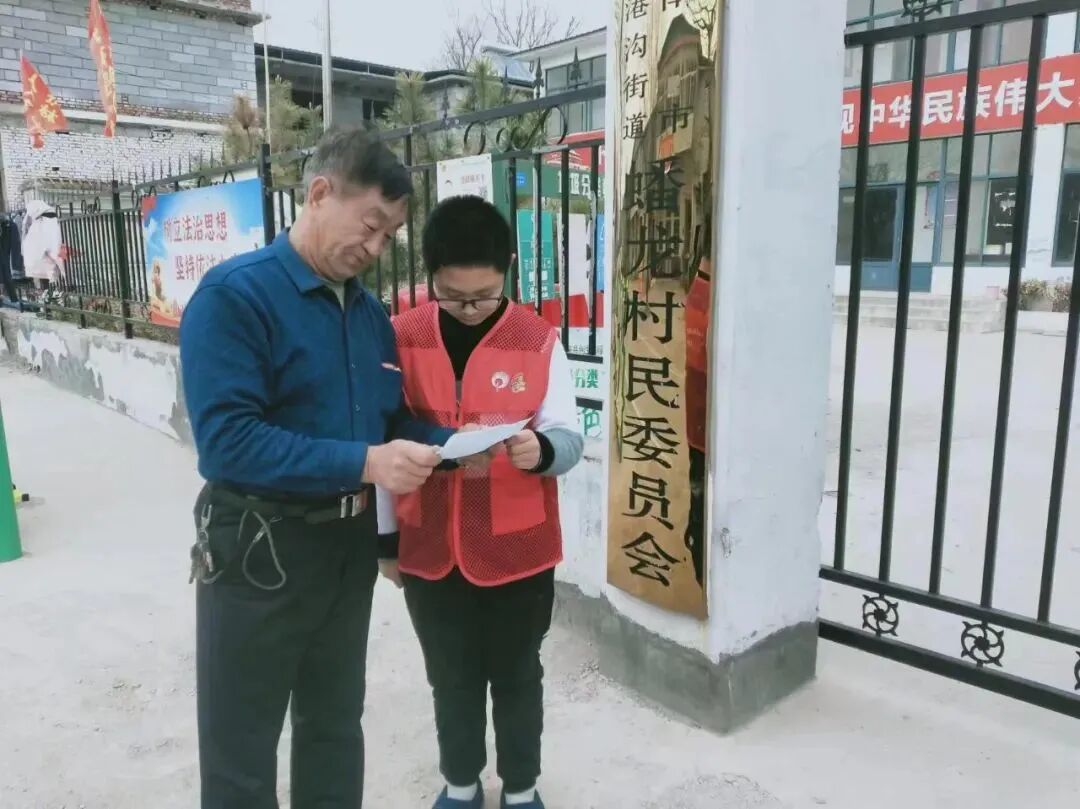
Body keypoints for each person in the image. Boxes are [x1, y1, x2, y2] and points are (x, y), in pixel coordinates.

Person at [179, 127, 452, 809]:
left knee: (334, 726)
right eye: (371, 224)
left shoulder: (368, 315)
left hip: (344, 551)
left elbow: (386, 423)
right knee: (241, 750)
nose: (377, 247)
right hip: (258, 550)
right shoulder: (235, 297)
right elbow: (228, 442)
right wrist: (367, 461)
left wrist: (454, 445)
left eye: (390, 236)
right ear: (320, 193)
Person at [376, 196, 584, 809]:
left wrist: (540, 450)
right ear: (430, 276)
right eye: (453, 296)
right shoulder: (402, 337)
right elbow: (383, 444)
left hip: (519, 549)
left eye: (485, 296)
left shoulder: (538, 340)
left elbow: (570, 438)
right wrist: (385, 544)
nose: (469, 309)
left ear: (508, 270)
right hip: (429, 547)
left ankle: (521, 789)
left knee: (518, 675)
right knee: (450, 676)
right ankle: (460, 784)